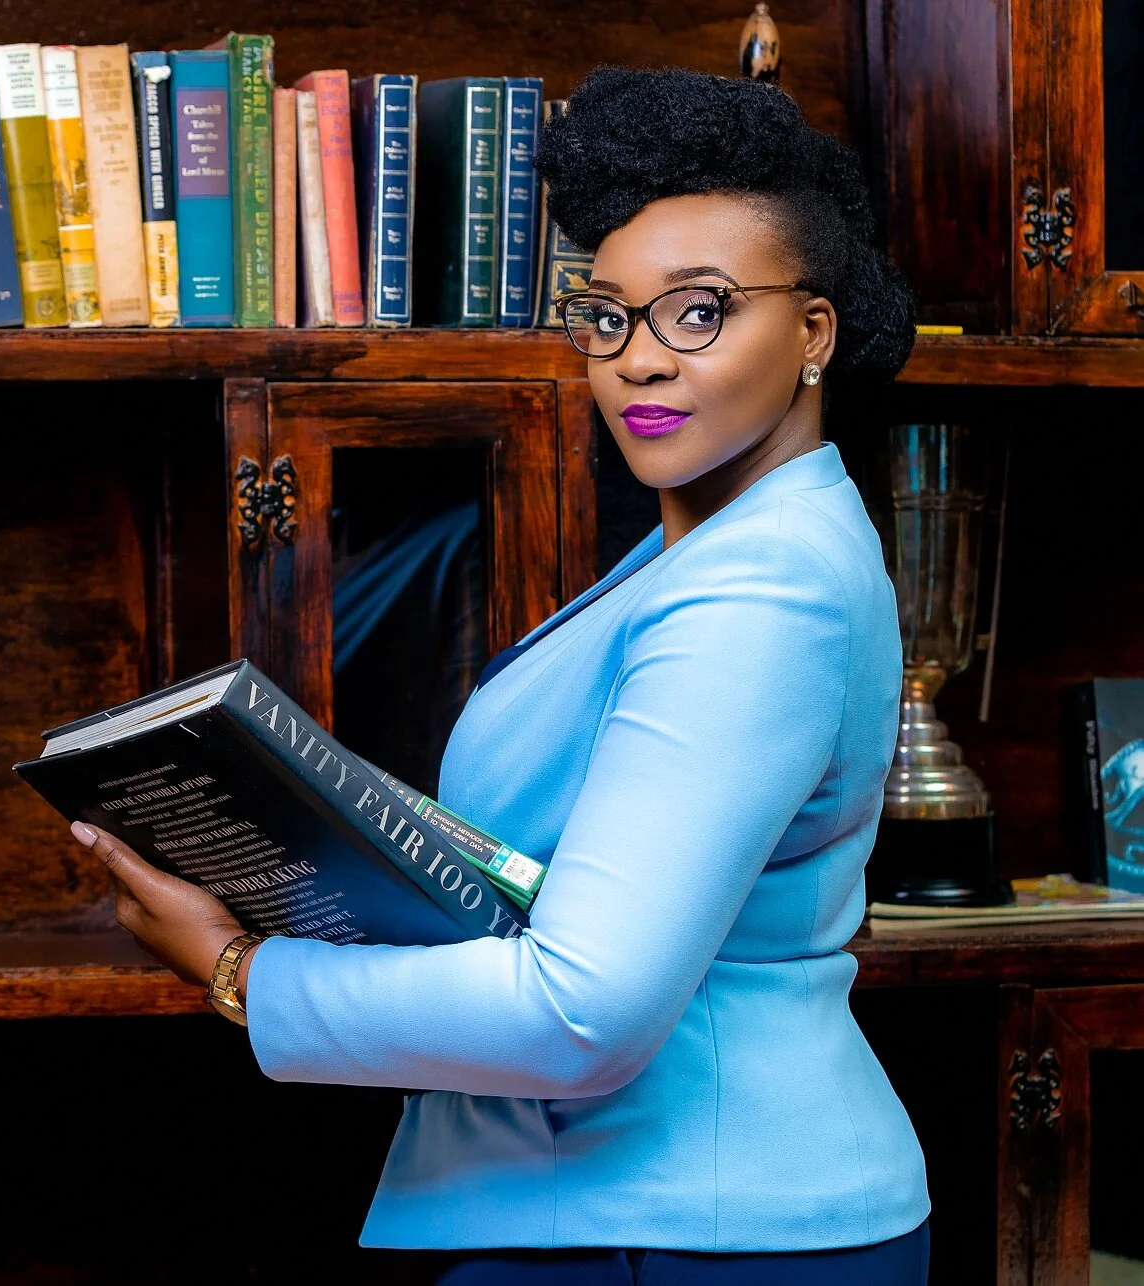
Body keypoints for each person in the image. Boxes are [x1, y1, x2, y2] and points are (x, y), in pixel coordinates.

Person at [70, 66, 930, 1285]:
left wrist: (242, 971)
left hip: (683, 1230)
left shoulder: (763, 585)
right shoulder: (702, 550)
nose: (639, 359)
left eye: (698, 311)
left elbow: (584, 1008)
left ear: (815, 332)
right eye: (607, 314)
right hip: (616, 1215)